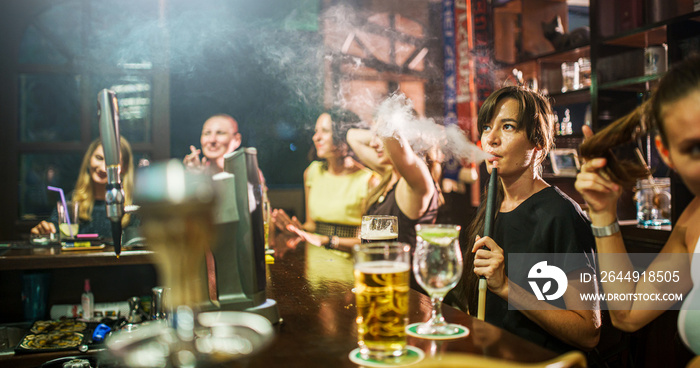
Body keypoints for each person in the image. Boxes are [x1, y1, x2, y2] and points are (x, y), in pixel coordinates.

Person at [455, 86, 600, 353]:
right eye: (487, 128)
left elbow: (588, 331)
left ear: (538, 143)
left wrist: (508, 287)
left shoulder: (561, 215)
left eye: (507, 127)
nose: (491, 140)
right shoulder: (490, 206)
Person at [575, 54, 700, 355]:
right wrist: (604, 213)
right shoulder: (693, 222)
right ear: (667, 154)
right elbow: (628, 312)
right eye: (695, 148)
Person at [271, 109, 379, 250]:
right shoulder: (312, 172)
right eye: (316, 131)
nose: (316, 137)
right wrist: (297, 229)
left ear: (343, 135)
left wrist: (328, 240)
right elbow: (312, 226)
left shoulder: (369, 180)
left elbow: (371, 242)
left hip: (350, 262)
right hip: (316, 260)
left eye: (325, 131)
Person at [30, 137, 137, 240]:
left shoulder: (133, 205)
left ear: (124, 167)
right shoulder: (72, 201)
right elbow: (53, 229)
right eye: (99, 158)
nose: (103, 168)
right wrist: (44, 230)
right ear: (89, 159)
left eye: (112, 163)